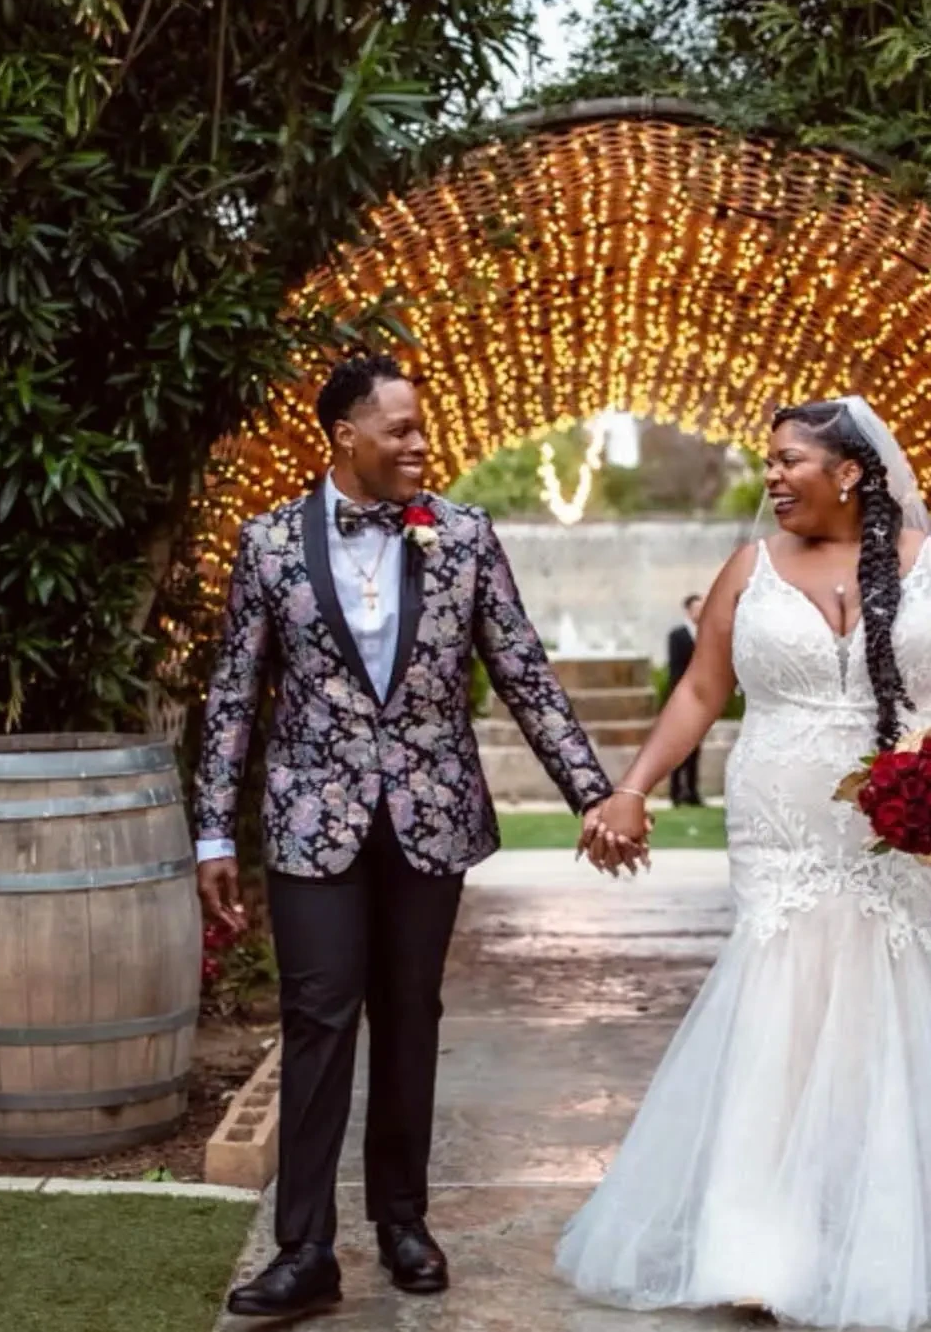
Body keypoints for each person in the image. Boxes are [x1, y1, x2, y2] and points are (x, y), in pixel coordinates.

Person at [564, 395, 931, 1331]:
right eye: (770, 462)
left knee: (879, 988)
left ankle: (884, 1216)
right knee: (781, 992)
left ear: (851, 474)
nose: (773, 477)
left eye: (790, 461)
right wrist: (633, 787)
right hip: (779, 817)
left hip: (896, 815)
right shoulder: (749, 567)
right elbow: (703, 689)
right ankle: (758, 1237)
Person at [195, 353, 620, 1319]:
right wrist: (212, 830)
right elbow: (231, 698)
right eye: (400, 429)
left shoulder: (464, 535)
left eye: (421, 426)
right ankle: (305, 1248)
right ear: (345, 435)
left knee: (410, 1015)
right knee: (317, 1017)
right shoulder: (267, 545)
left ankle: (402, 1221)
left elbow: (525, 671)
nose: (420, 443)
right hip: (313, 818)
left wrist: (592, 792)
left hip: (432, 816)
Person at [666, 594, 705, 807]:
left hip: (701, 700)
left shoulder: (706, 634)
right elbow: (675, 670)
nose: (701, 612)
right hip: (683, 701)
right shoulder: (677, 635)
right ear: (688, 611)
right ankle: (676, 792)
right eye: (697, 608)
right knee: (678, 748)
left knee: (695, 748)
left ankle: (693, 792)